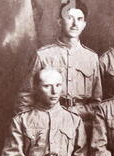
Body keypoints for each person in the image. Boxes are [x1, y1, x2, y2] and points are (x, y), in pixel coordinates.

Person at [17, 0, 102, 133]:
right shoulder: (43, 55)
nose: (75, 24)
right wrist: (28, 126)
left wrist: (77, 112)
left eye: (79, 19)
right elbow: (26, 96)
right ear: (59, 22)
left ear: (84, 24)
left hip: (82, 126)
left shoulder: (92, 58)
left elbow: (97, 102)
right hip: (47, 124)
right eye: (69, 18)